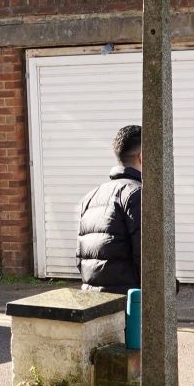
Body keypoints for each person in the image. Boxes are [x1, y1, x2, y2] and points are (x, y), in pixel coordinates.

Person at [75, 124, 142, 291]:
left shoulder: (90, 197)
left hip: (93, 303)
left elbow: (80, 258)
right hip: (129, 304)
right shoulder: (137, 194)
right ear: (142, 156)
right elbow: (148, 257)